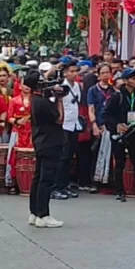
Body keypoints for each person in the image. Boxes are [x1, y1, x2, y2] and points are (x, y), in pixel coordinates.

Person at [105, 67, 135, 202]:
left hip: (133, 131)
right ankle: (119, 191)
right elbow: (107, 114)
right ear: (125, 80)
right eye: (133, 78)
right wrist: (117, 126)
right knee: (119, 162)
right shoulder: (116, 96)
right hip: (119, 133)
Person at [26, 71, 65, 228]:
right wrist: (59, 100)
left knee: (38, 177)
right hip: (50, 142)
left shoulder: (35, 100)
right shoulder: (42, 102)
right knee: (46, 179)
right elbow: (60, 119)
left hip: (40, 141)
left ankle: (34, 212)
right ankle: (43, 214)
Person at [53, 61, 85, 199]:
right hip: (64, 124)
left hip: (74, 124)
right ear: (65, 72)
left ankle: (65, 186)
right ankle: (56, 187)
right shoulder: (61, 87)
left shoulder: (77, 85)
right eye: (71, 71)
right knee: (62, 157)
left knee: (69, 157)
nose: (74, 74)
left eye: (75, 71)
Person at [86, 63, 116, 188]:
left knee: (111, 154)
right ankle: (94, 181)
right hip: (98, 124)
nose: (105, 75)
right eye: (102, 72)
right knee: (95, 153)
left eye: (107, 72)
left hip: (110, 126)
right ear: (98, 75)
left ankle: (108, 180)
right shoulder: (93, 90)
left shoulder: (113, 90)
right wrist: (94, 125)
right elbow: (91, 109)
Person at [6, 80, 33, 193]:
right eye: (24, 84)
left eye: (29, 84)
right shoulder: (14, 100)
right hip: (18, 131)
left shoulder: (35, 100)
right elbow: (9, 117)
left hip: (32, 131)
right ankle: (13, 181)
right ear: (20, 86)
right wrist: (17, 121)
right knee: (14, 156)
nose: (27, 87)